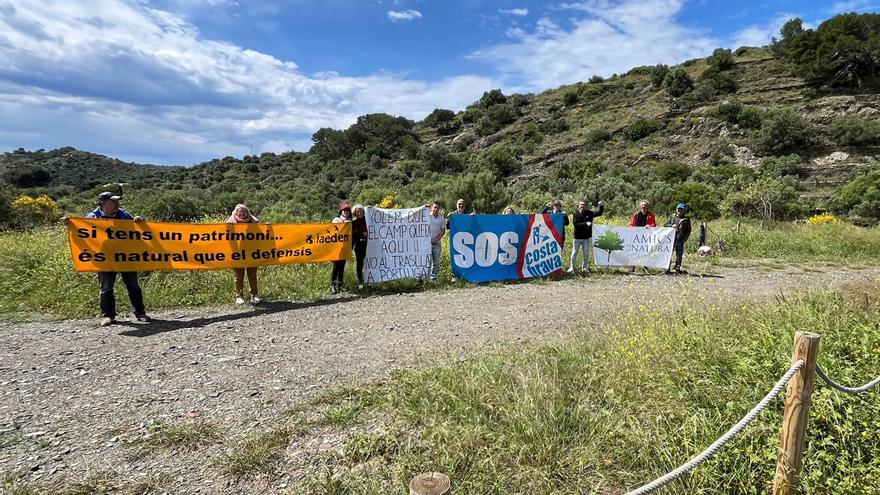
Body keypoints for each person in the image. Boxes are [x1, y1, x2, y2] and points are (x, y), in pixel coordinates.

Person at [80, 191, 149, 326]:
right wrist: (69, 223)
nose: (117, 204)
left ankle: (140, 313)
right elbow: (81, 231)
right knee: (106, 287)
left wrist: (138, 221)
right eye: (113, 201)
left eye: (117, 201)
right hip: (105, 258)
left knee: (133, 286)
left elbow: (135, 231)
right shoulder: (92, 217)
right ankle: (108, 316)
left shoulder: (124, 214)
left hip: (125, 256)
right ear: (102, 203)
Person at [227, 204, 261, 305]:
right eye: (239, 212)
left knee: (252, 275)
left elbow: (258, 224)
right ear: (236, 212)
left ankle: (254, 295)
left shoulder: (252, 221)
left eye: (244, 211)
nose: (242, 213)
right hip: (237, 253)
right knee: (239, 276)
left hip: (251, 252)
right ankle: (239, 296)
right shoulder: (231, 222)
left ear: (248, 212)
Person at [568, 199, 604, 273]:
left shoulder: (589, 213)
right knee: (574, 252)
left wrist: (601, 205)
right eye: (581, 204)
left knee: (586, 253)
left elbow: (600, 213)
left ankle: (584, 268)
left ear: (586, 206)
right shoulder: (576, 214)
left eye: (584, 205)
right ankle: (572, 267)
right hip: (577, 237)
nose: (582, 206)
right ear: (578, 206)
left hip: (586, 238)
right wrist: (585, 223)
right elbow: (576, 224)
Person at [330, 203, 352, 293]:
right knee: (335, 267)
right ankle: (333, 285)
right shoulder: (336, 219)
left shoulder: (350, 221)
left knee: (342, 267)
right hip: (336, 248)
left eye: (347, 211)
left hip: (345, 247)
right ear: (341, 211)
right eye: (344, 211)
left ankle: (340, 284)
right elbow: (336, 229)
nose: (345, 212)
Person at [665, 202, 692, 274]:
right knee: (668, 255)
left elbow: (688, 231)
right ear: (676, 209)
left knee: (679, 255)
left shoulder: (686, 219)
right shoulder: (672, 217)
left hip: (680, 240)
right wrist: (671, 225)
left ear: (684, 210)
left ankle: (677, 269)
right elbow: (665, 225)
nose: (680, 211)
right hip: (670, 240)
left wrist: (684, 239)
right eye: (679, 209)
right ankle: (667, 269)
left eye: (681, 209)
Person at [428, 201, 445, 282]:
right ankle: (425, 279)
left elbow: (443, 231)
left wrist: (436, 239)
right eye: (434, 207)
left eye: (438, 208)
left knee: (436, 262)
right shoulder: (426, 216)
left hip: (436, 243)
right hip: (426, 244)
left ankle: (433, 278)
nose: (436, 209)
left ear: (439, 209)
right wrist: (423, 207)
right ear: (431, 208)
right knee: (427, 262)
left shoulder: (441, 219)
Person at [351, 204, 368, 289]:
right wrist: (361, 234)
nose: (359, 213)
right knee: (359, 263)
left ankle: (369, 280)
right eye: (358, 211)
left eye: (361, 211)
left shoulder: (367, 219)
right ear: (355, 212)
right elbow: (352, 235)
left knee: (368, 262)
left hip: (369, 244)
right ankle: (360, 281)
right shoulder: (353, 222)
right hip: (358, 245)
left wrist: (370, 208)